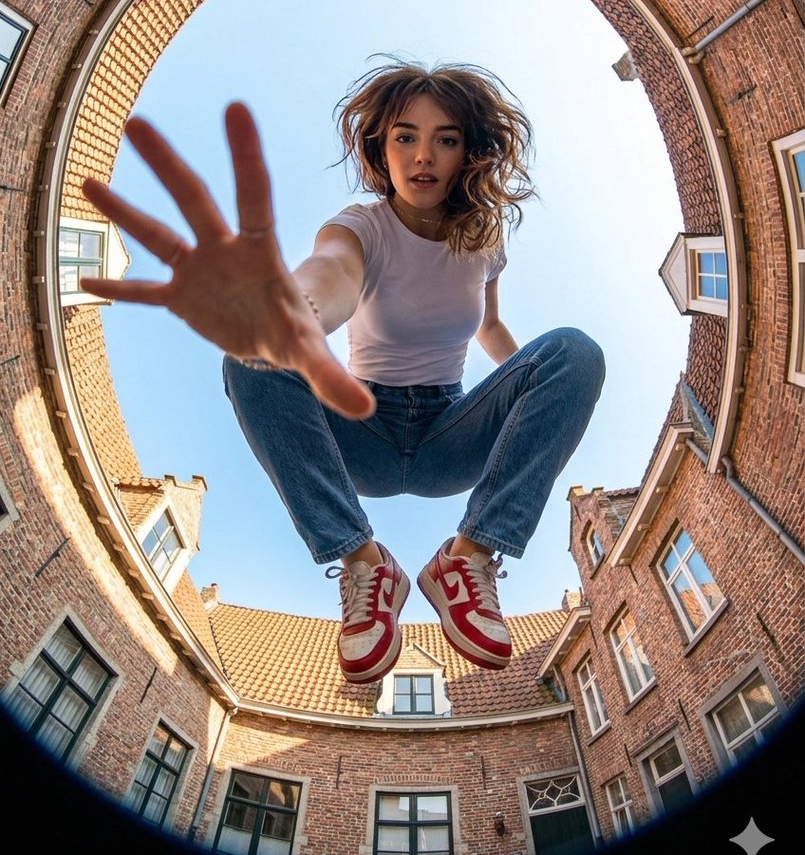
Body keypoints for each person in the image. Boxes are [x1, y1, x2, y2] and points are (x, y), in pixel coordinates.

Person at [81, 60, 605, 685]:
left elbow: (490, 331)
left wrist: (536, 388)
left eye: (446, 138)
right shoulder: (362, 225)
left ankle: (467, 559)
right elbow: (331, 274)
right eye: (405, 136)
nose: (423, 156)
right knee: (253, 356)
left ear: (469, 152)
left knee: (576, 350)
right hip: (363, 431)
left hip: (450, 435)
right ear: (382, 149)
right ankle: (364, 563)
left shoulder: (484, 243)